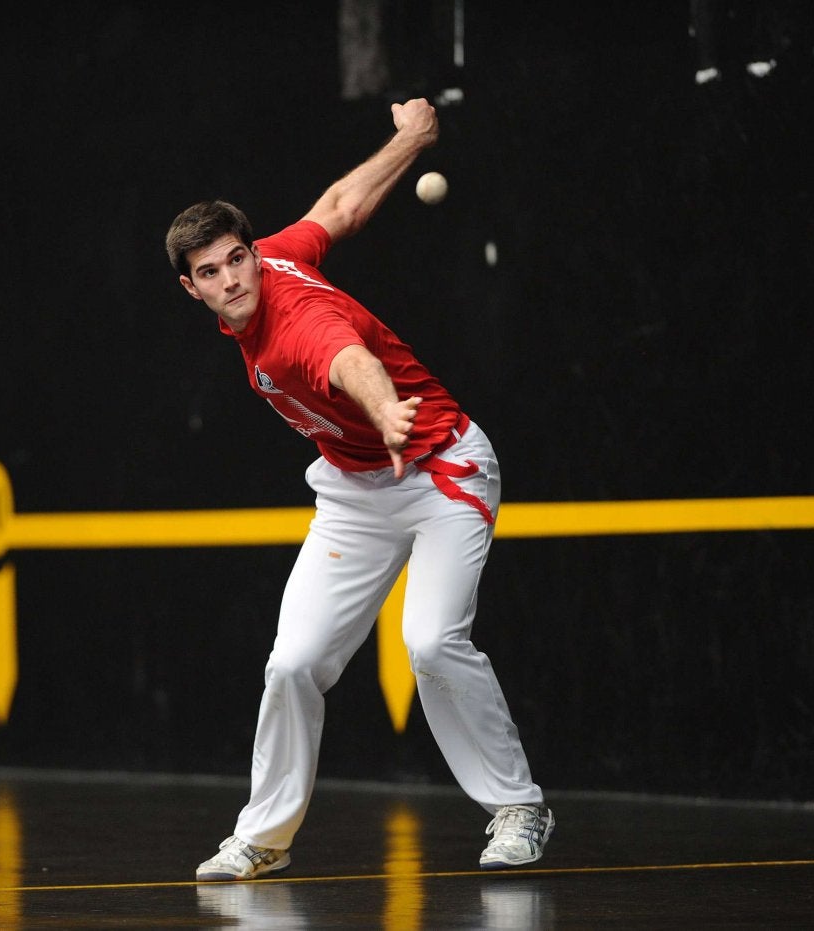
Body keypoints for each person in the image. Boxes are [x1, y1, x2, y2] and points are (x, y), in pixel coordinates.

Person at [165, 98, 552, 881]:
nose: (234, 276)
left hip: (440, 466)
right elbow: (341, 205)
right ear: (192, 289)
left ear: (248, 252)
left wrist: (387, 414)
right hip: (356, 488)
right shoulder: (281, 253)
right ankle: (264, 836)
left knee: (430, 639)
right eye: (212, 271)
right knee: (294, 661)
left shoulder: (293, 319)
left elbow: (345, 359)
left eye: (237, 258)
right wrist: (410, 138)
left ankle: (519, 807)